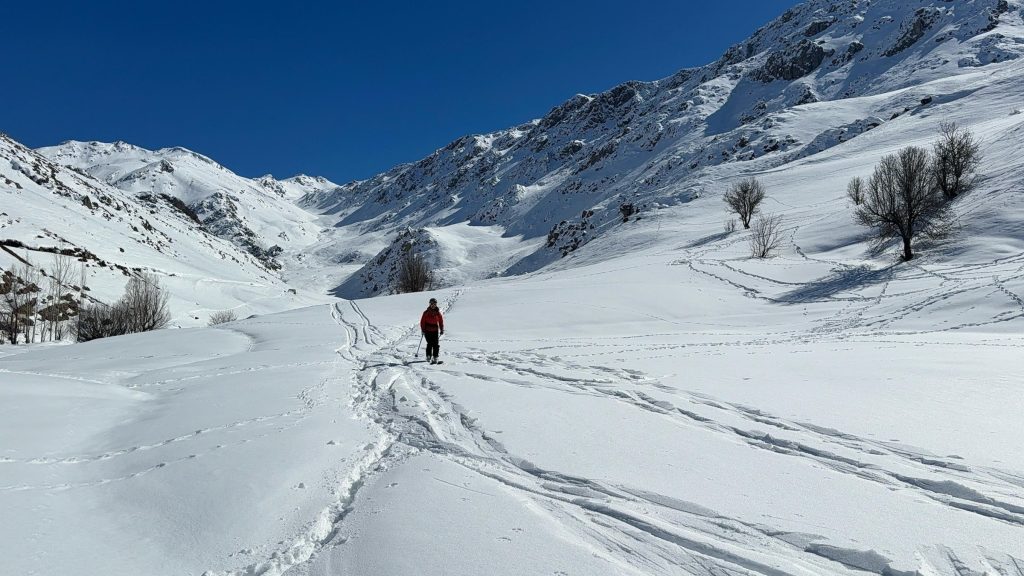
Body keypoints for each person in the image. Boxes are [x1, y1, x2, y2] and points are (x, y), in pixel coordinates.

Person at [420, 297, 444, 364]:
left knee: (436, 344)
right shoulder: (426, 312)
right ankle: (428, 356)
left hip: (435, 331)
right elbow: (422, 322)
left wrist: (441, 329)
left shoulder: (438, 313)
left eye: (434, 304)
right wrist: (423, 330)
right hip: (427, 331)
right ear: (430, 304)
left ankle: (435, 357)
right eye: (432, 304)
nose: (433, 305)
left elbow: (441, 321)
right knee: (430, 344)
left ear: (436, 304)